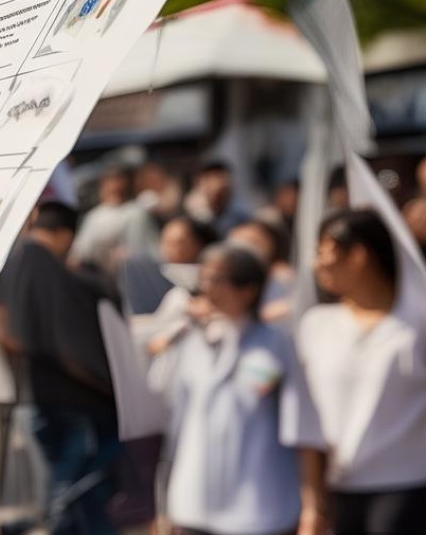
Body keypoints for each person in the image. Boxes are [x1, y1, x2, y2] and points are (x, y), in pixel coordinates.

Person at [289, 209, 426, 534]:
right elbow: (306, 418)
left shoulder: (417, 325)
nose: (316, 263)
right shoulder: (316, 324)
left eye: (325, 252)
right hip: (340, 489)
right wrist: (313, 500)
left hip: (408, 486)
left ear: (359, 256)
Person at [157, 243, 305, 535]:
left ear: (248, 290)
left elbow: (299, 422)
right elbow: (176, 425)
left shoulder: (275, 344)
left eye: (217, 280)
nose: (207, 288)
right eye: (205, 279)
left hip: (259, 503)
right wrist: (164, 503)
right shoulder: (193, 341)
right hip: (193, 501)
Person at [0, 201, 120, 535]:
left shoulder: (10, 260)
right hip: (74, 401)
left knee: (63, 490)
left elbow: (6, 332)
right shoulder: (44, 265)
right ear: (65, 234)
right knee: (70, 495)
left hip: (37, 397)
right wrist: (109, 387)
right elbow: (69, 347)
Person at [118, 215, 217, 316]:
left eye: (177, 243)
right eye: (165, 241)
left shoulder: (215, 273)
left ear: (198, 245)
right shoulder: (148, 272)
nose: (168, 248)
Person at [71, 166, 155, 276]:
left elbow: (139, 252)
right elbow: (79, 253)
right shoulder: (93, 216)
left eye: (118, 188)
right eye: (110, 185)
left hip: (129, 274)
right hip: (97, 274)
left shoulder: (135, 213)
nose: (114, 188)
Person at [226, 218, 295, 324]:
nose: (249, 249)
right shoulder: (224, 274)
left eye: (255, 243)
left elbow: (290, 306)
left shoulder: (281, 276)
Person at [184, 161, 245, 234]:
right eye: (210, 180)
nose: (219, 184)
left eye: (223, 178)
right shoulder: (189, 216)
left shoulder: (240, 216)